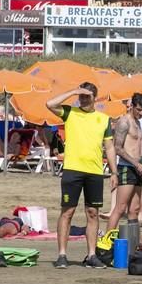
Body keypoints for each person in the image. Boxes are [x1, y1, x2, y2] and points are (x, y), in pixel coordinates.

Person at [46, 82, 118, 269]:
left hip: (94, 171)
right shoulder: (70, 112)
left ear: (95, 98)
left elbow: (109, 147)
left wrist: (114, 171)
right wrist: (73, 91)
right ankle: (62, 254)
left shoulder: (104, 119)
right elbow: (50, 104)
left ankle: (92, 255)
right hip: (72, 169)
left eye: (87, 96)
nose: (84, 100)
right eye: (82, 96)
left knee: (93, 213)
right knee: (67, 211)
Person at [106, 93, 142, 233]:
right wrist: (136, 164)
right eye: (138, 109)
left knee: (134, 209)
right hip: (126, 168)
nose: (141, 113)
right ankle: (106, 243)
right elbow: (117, 148)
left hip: (136, 169)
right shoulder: (124, 122)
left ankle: (135, 241)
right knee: (120, 208)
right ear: (131, 106)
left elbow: (135, 146)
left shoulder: (138, 122)